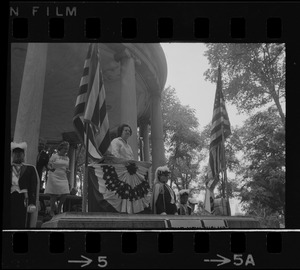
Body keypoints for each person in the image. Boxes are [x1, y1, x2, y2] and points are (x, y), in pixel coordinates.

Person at [10, 142, 39, 228]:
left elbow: (33, 187)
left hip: (24, 198)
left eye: (20, 153)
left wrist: (32, 203)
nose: (18, 155)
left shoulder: (30, 169)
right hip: (10, 197)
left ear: (24, 155)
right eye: (16, 153)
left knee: (22, 222)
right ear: (12, 155)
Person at [45, 141, 70, 217]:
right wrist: (50, 168)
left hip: (63, 176)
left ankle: (59, 208)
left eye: (67, 149)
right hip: (54, 175)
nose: (66, 150)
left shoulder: (67, 158)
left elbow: (66, 167)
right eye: (65, 149)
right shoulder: (54, 156)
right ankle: (52, 210)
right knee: (54, 194)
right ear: (60, 148)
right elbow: (48, 165)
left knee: (65, 193)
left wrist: (67, 170)